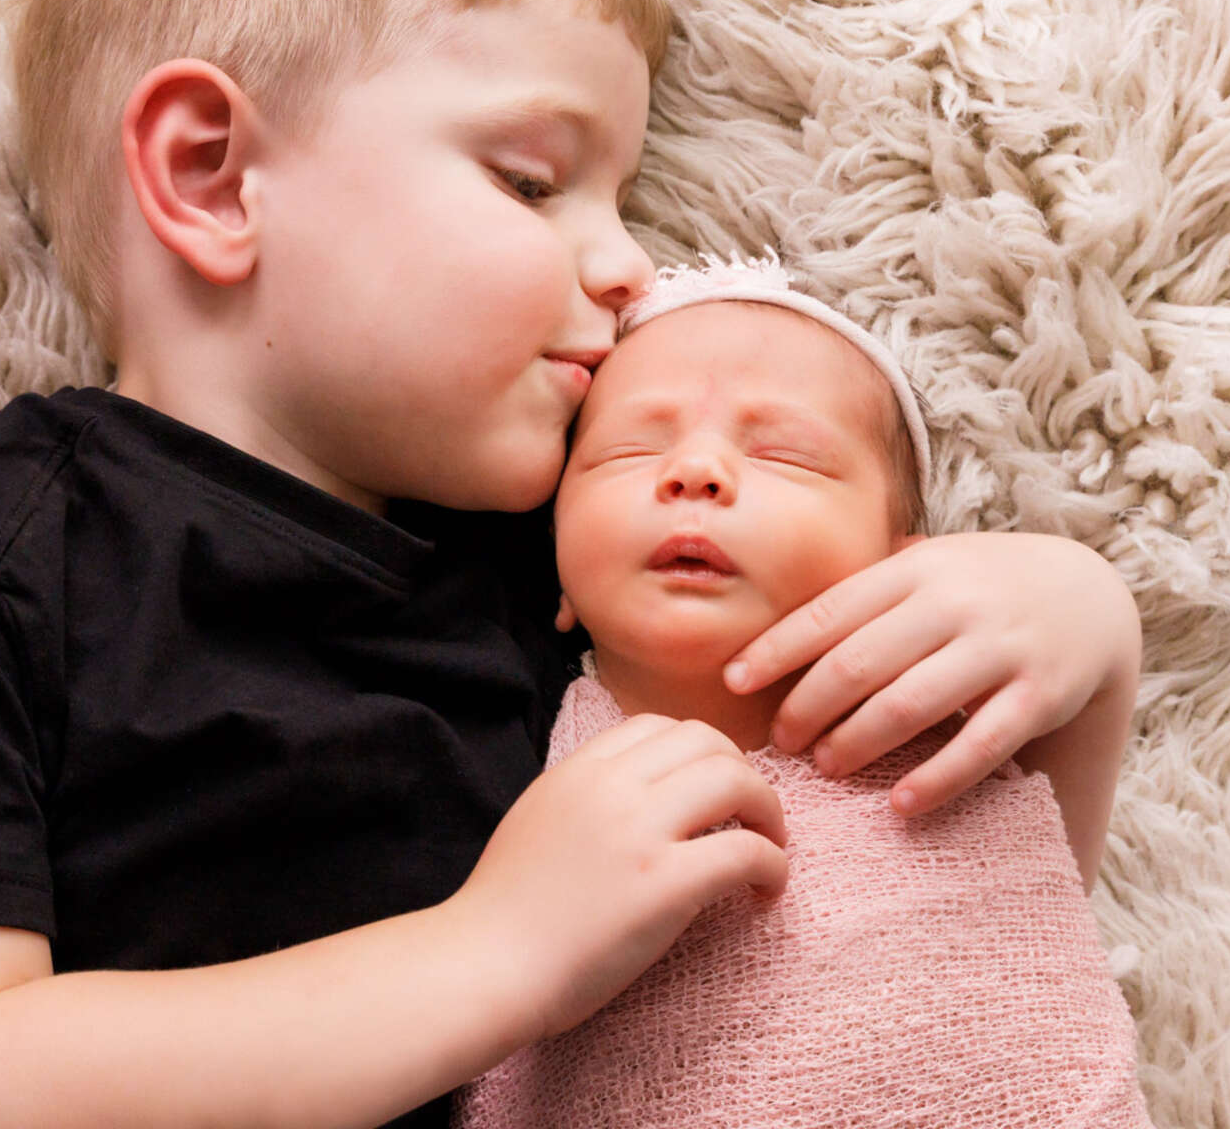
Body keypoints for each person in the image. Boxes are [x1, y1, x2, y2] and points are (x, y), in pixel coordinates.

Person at [0, 0, 1144, 1129]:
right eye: (531, 179)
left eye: (622, 197)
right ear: (210, 174)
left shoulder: (547, 580)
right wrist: (493, 953)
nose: (631, 265)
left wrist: (1079, 621)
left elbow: (921, 901)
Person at [455, 257, 1151, 1129]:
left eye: (785, 453)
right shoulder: (502, 744)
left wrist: (1092, 601)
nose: (696, 470)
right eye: (631, 449)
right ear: (556, 573)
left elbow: (1044, 896)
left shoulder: (951, 727)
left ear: (906, 561)